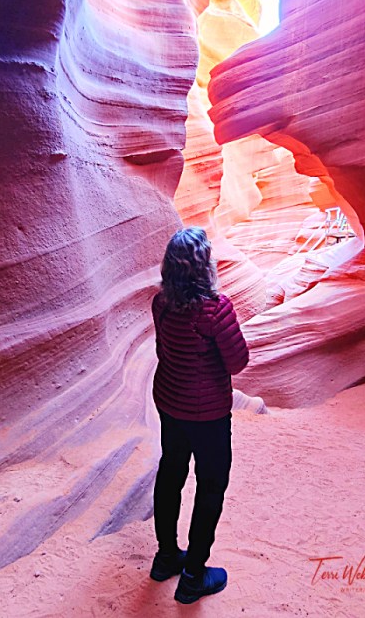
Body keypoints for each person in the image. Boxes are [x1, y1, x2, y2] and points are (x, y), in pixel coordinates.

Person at [149, 227, 249, 604]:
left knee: (171, 471)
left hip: (170, 402)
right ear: (203, 267)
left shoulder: (161, 303)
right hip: (207, 414)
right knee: (210, 485)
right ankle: (192, 577)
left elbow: (163, 347)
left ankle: (165, 557)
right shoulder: (215, 309)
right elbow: (238, 361)